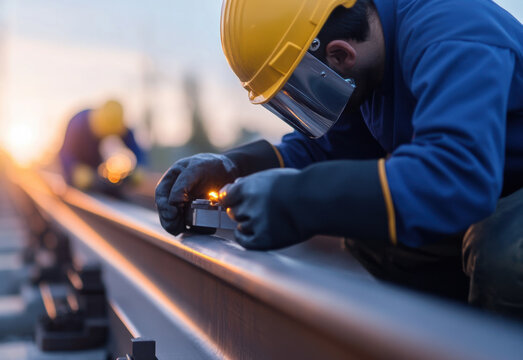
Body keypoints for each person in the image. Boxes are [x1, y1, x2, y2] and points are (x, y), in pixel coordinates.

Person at [155, 0, 523, 317]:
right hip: (496, 184)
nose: (306, 104)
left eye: (301, 90)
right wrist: (232, 165)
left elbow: (456, 177)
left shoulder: (452, 35)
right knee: (368, 231)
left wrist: (301, 201)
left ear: (341, 54)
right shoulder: (372, 61)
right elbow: (326, 148)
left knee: (503, 254)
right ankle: (456, 332)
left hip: (501, 191)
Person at [59, 100, 146, 190]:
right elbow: (65, 154)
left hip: (97, 174)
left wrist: (138, 168)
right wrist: (73, 171)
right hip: (78, 176)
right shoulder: (78, 123)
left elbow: (137, 150)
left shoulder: (118, 124)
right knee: (81, 183)